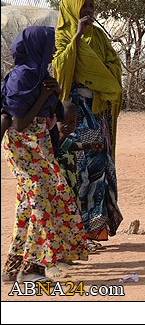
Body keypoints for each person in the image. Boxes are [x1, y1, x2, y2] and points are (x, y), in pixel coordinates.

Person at [1, 26, 88, 283]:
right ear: (37, 47)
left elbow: (53, 112)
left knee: (31, 205)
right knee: (43, 200)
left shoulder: (38, 74)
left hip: (38, 145)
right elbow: (19, 123)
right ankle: (32, 268)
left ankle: (15, 266)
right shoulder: (22, 77)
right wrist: (46, 94)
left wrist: (55, 93)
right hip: (24, 146)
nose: (53, 51)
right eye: (50, 46)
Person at [52, 0, 124, 250]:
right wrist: (77, 37)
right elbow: (60, 69)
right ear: (72, 8)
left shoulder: (100, 38)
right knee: (78, 171)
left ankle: (97, 228)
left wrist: (102, 76)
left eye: (92, 6)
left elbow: (113, 65)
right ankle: (77, 230)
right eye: (84, 7)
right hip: (74, 115)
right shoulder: (60, 38)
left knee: (99, 168)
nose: (89, 12)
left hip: (97, 111)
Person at [56, 101, 103, 200]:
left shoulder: (63, 139)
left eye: (71, 122)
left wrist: (89, 145)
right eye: (63, 121)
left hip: (70, 182)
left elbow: (72, 146)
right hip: (58, 183)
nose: (66, 125)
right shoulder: (52, 140)